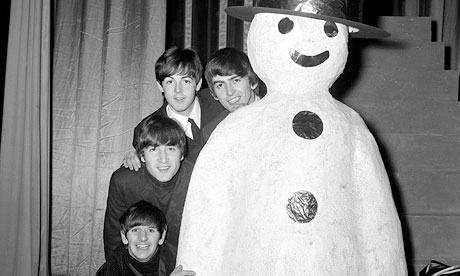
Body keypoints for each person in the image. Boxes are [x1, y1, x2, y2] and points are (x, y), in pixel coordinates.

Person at [103, 115, 194, 276]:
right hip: (138, 265)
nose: (163, 159)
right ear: (142, 155)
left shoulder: (196, 179)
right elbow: (114, 237)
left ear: (182, 153)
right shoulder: (124, 181)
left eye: (171, 149)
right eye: (154, 149)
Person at [123, 46, 225, 171]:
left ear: (198, 84)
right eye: (170, 82)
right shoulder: (145, 129)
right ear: (160, 86)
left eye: (186, 81)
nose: (178, 90)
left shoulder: (221, 102)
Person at [97, 200, 195, 276]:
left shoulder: (179, 260)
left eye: (151, 230)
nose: (143, 238)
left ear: (162, 236)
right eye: (135, 230)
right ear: (124, 236)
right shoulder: (110, 271)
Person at [202, 47, 265, 142]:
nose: (229, 92)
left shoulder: (277, 115)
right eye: (220, 85)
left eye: (235, 80)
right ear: (214, 94)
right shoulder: (213, 131)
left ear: (253, 82)